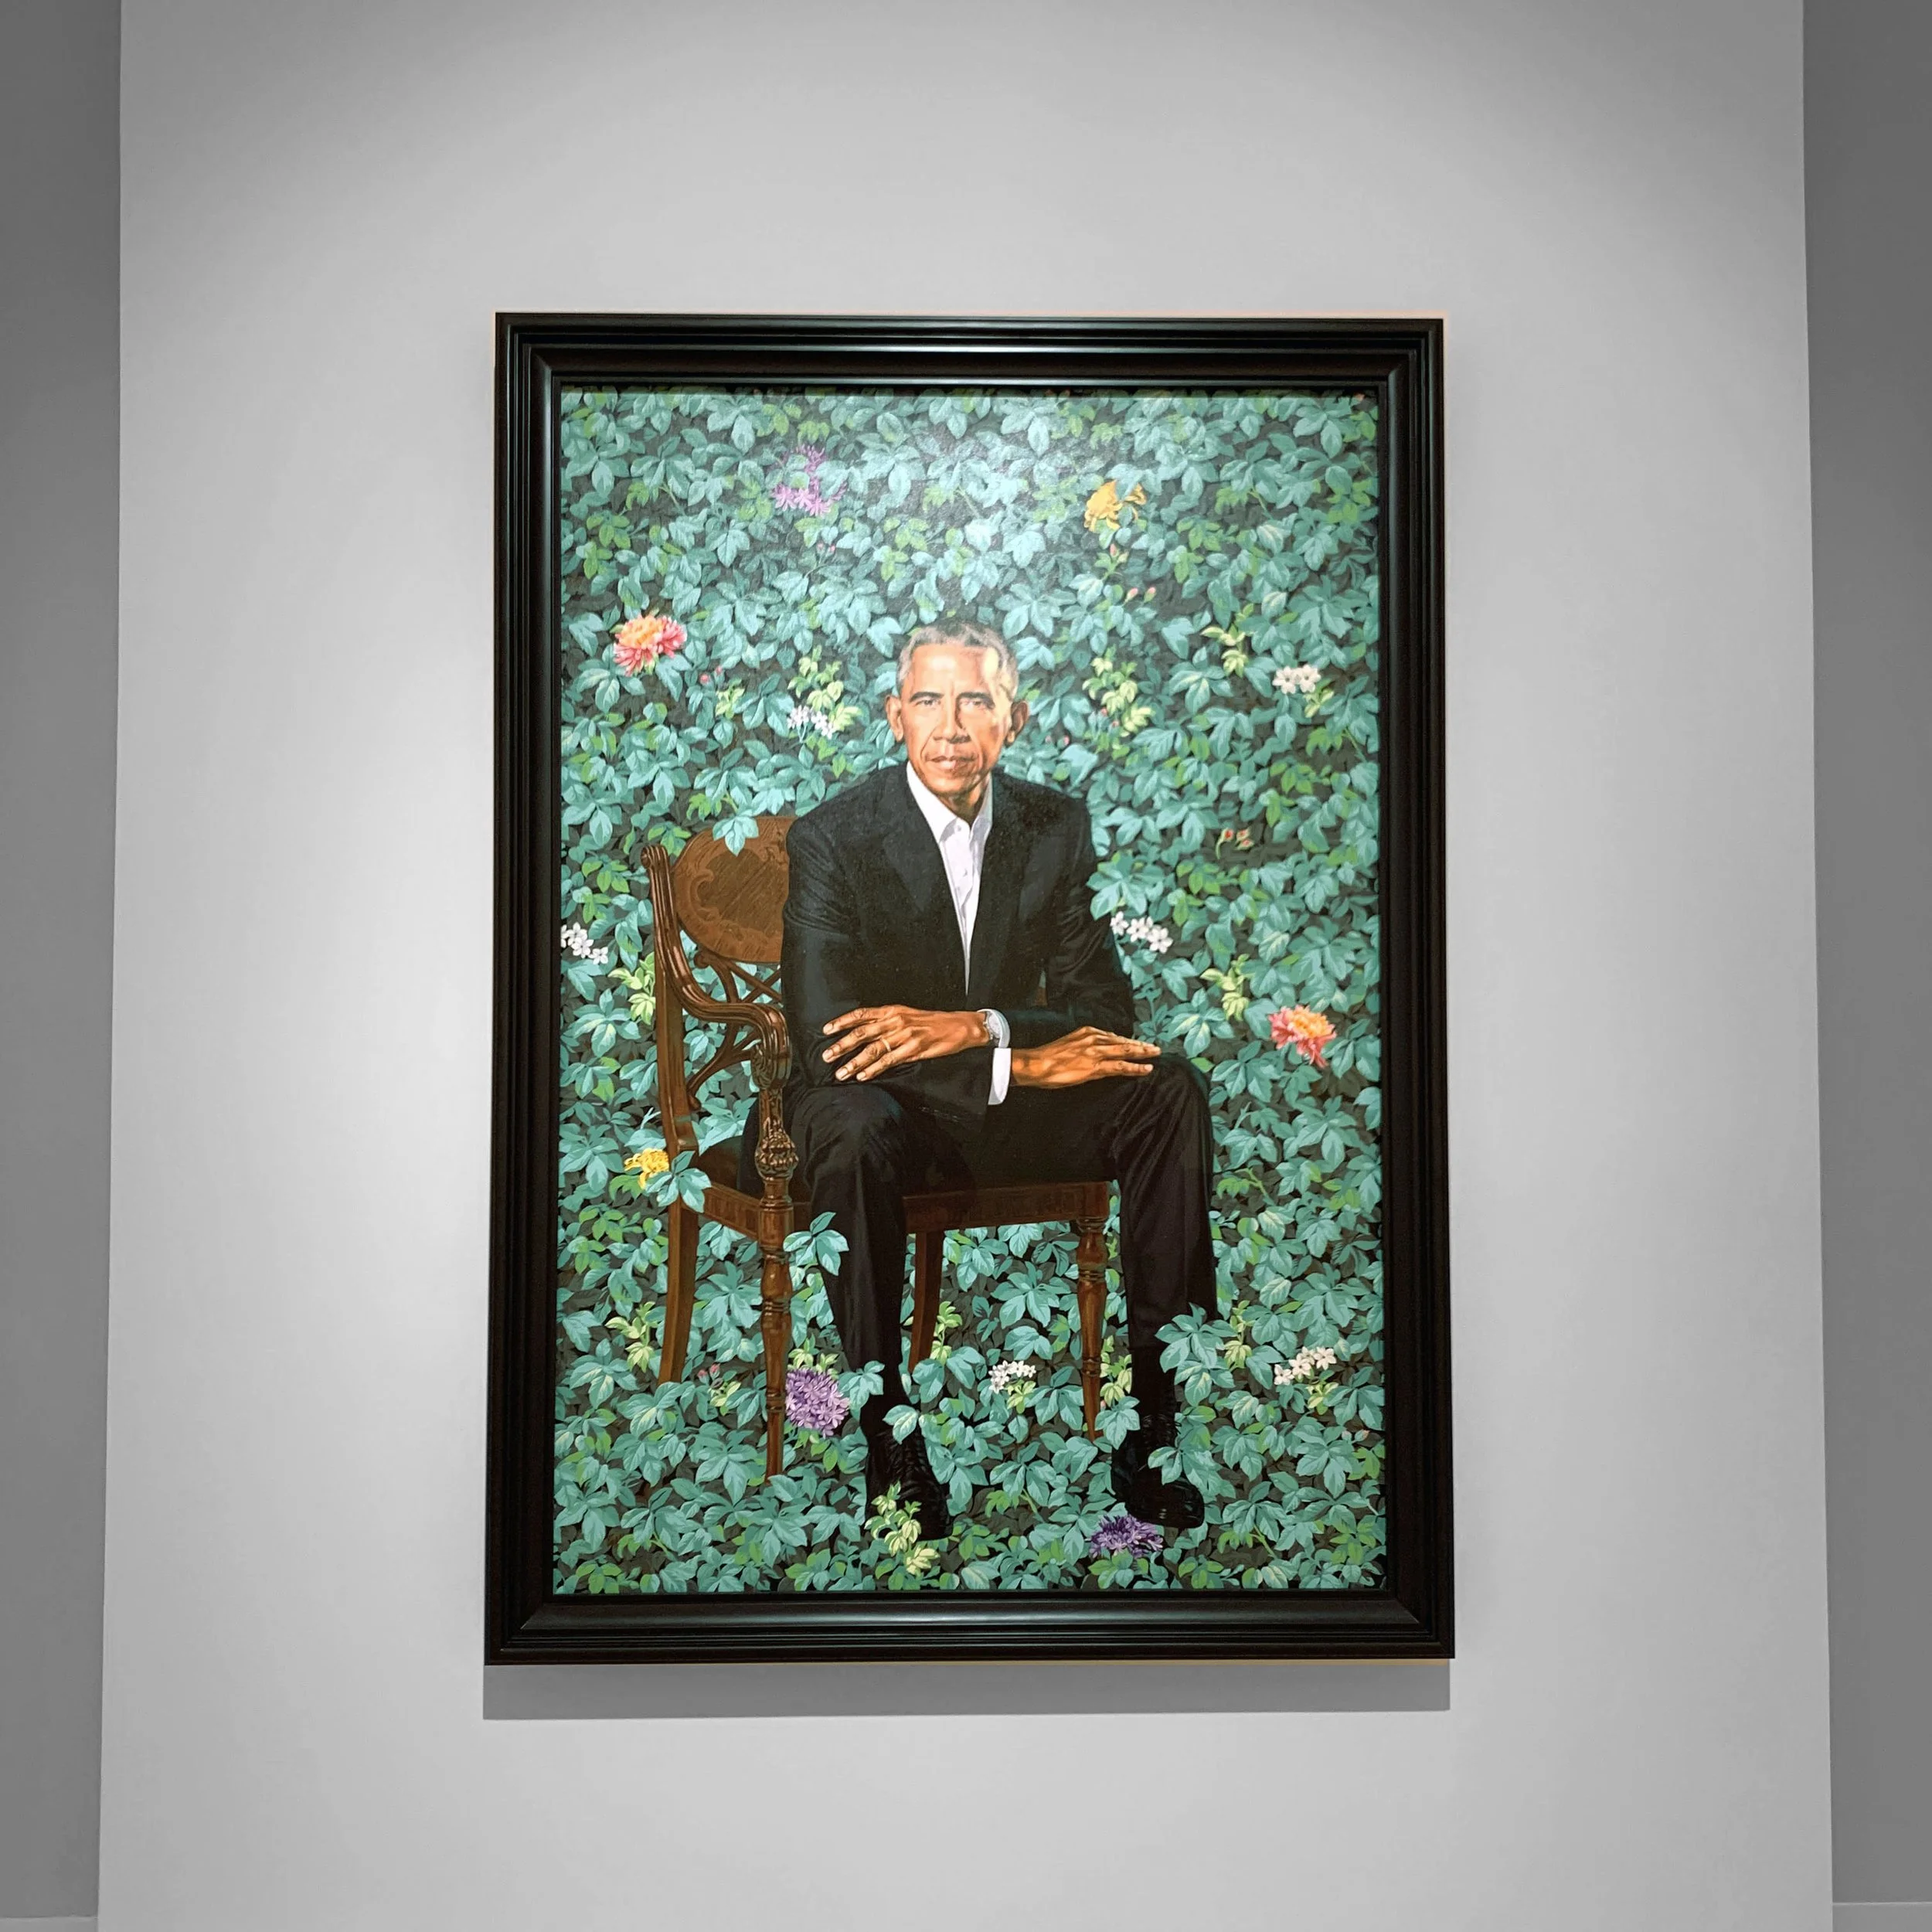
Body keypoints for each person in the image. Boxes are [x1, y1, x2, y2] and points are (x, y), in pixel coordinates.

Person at [750, 617, 1217, 1543]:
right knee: (848, 1120)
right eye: (928, 699)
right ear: (895, 716)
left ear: (1014, 720)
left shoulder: (1053, 825)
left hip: (995, 1104)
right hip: (876, 1109)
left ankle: (1154, 1428)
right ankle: (890, 1438)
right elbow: (828, 1041)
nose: (951, 725)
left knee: (1167, 1085)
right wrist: (1019, 1061)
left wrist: (983, 1026)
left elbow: (1102, 1010)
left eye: (976, 701)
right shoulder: (834, 838)